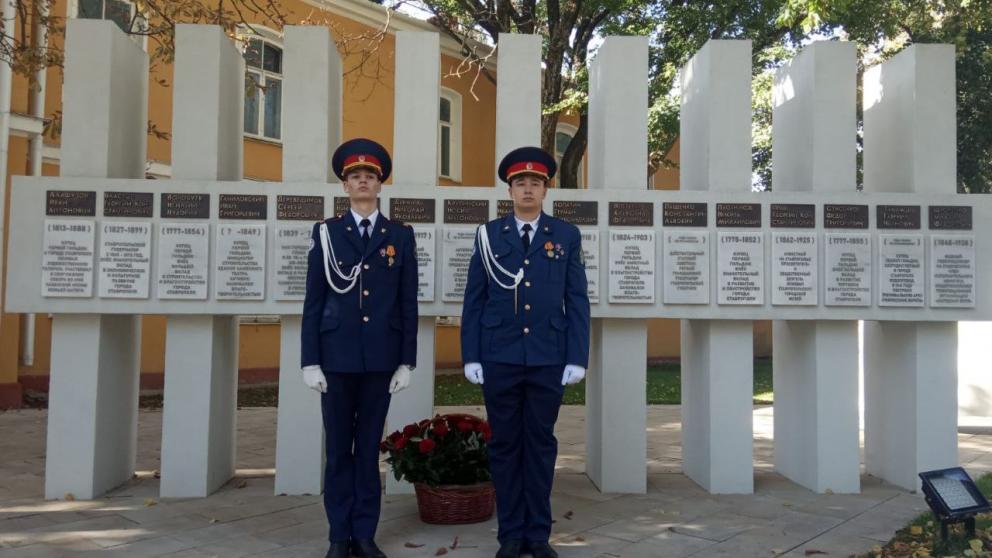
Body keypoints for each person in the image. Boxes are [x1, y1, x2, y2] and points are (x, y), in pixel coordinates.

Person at [460, 146, 591, 558]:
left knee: (540, 444)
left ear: (546, 190)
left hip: (548, 355)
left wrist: (577, 356)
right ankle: (511, 534)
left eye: (536, 182)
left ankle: (538, 534)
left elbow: (578, 299)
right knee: (503, 446)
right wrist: (472, 355)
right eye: (521, 183)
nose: (528, 189)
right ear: (510, 190)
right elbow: (474, 301)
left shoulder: (566, 236)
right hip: (499, 356)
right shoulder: (488, 235)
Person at [301, 138, 418, 558]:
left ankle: (364, 533)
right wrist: (309, 360)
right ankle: (338, 534)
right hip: (335, 360)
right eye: (355, 176)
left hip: (379, 360)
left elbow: (408, 302)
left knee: (368, 451)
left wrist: (407, 359)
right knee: (337, 453)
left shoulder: (400, 236)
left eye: (369, 176)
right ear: (345, 186)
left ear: (380, 185)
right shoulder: (327, 233)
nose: (362, 181)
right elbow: (314, 301)